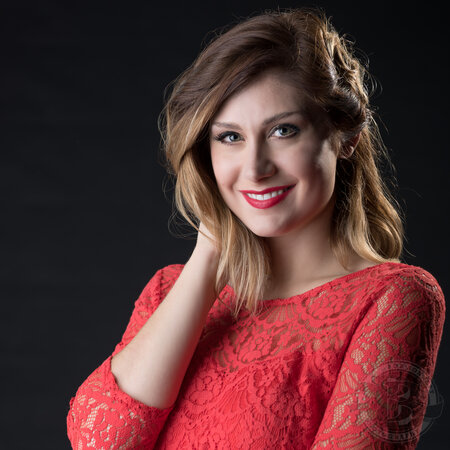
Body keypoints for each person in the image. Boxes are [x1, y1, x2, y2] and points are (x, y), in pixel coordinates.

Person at [66, 8, 445, 449]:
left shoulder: (391, 298)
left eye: (283, 131)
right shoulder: (169, 291)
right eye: (230, 137)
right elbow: (98, 443)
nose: (255, 169)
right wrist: (209, 255)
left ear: (346, 137)